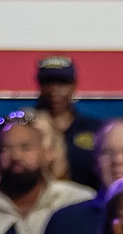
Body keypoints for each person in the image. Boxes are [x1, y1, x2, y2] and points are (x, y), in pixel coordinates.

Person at [34, 57, 104, 190]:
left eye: (62, 83)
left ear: (74, 86)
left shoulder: (95, 129)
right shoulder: (23, 127)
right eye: (48, 83)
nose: (54, 90)